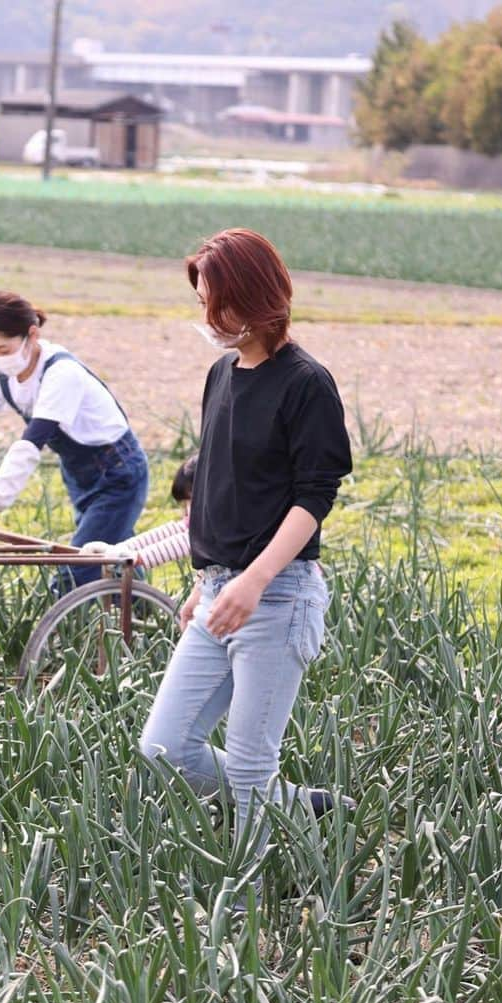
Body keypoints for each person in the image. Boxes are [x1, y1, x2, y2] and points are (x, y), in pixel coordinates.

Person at [138, 228, 354, 909]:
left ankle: (252, 902)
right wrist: (203, 581)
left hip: (279, 595)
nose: (208, 319)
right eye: (202, 301)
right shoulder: (221, 375)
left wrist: (253, 580)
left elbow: (314, 498)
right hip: (216, 591)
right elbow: (218, 488)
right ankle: (305, 804)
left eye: (218, 303)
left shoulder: (307, 384)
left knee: (253, 759)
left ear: (257, 298)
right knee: (165, 749)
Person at [0, 291, 149, 589]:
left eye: (3, 350)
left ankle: (62, 632)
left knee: (76, 569)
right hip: (79, 474)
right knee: (114, 561)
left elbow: (29, 447)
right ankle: (148, 617)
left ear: (32, 335)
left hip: (118, 474)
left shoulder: (61, 373)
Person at [82, 453, 198, 570]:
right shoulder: (201, 522)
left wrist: (140, 556)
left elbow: (190, 540)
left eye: (191, 501)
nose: (188, 509)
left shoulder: (211, 530)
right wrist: (121, 548)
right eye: (186, 503)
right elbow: (179, 530)